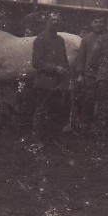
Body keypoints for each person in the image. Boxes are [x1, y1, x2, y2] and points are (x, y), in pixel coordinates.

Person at [32, 12, 70, 146]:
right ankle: (38, 138)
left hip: (58, 83)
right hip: (44, 82)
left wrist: (66, 75)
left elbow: (64, 60)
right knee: (41, 110)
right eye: (53, 20)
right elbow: (36, 62)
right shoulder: (40, 39)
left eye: (58, 20)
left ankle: (53, 136)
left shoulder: (60, 40)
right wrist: (54, 68)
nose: (55, 22)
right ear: (47, 22)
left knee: (56, 111)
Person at [67, 17, 107, 132]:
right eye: (96, 22)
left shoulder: (107, 37)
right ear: (91, 24)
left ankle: (100, 127)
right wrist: (80, 73)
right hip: (90, 75)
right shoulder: (87, 38)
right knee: (88, 100)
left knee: (103, 101)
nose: (98, 24)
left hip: (104, 74)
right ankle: (86, 126)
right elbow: (81, 57)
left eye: (100, 22)